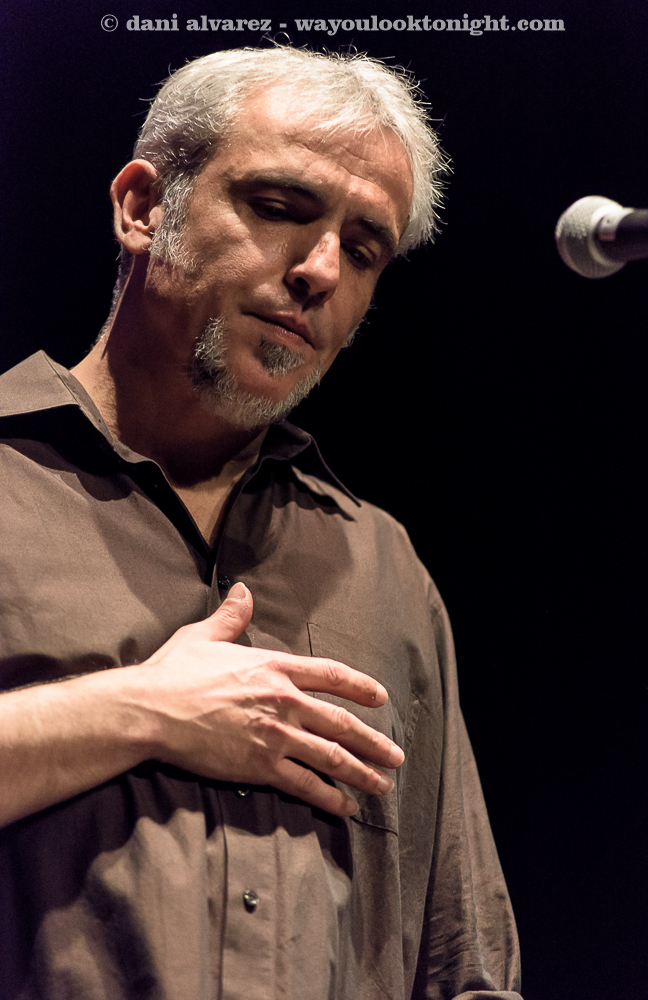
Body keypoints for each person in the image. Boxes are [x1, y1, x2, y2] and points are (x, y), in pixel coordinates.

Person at [0, 46, 522, 1000]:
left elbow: (462, 965)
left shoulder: (379, 565)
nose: (319, 270)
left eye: (362, 251)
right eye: (280, 208)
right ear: (143, 207)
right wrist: (140, 711)